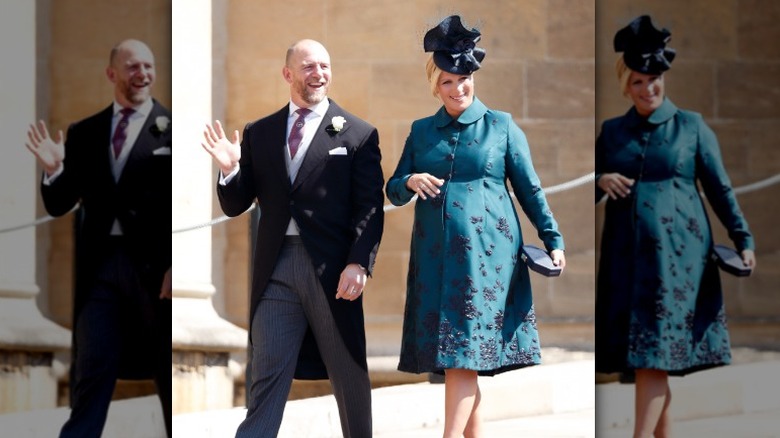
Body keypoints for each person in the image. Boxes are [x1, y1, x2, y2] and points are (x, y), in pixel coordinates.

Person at [385, 16, 566, 438]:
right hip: (434, 260)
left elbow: (530, 189)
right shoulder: (421, 131)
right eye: (448, 81)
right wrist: (408, 181)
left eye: (463, 78)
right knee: (457, 357)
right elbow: (392, 190)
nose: (457, 89)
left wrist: (553, 238)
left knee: (462, 355)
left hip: (487, 260)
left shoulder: (501, 125)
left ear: (473, 77)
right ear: (435, 84)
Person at [201, 39, 384, 437]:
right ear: (288, 74)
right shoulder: (260, 132)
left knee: (349, 377)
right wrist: (230, 170)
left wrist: (359, 262)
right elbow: (236, 204)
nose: (318, 73)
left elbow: (370, 207)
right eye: (308, 66)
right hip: (276, 270)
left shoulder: (358, 134)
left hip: (334, 273)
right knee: (265, 377)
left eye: (324, 65)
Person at [594, 15, 756, 438]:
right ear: (624, 86)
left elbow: (720, 189)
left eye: (654, 81)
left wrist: (743, 239)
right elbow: (586, 188)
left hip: (678, 261)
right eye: (637, 83)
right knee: (651, 353)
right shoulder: (612, 133)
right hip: (626, 258)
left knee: (653, 352)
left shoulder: (692, 126)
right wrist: (600, 179)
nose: (648, 90)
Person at [25, 39, 172, 437]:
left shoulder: (173, 131)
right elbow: (59, 203)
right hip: (100, 274)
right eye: (132, 67)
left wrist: (178, 267)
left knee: (167, 378)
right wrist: (55, 169)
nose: (142, 74)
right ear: (112, 74)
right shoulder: (84, 132)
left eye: (148, 66)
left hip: (156, 274)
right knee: (92, 373)